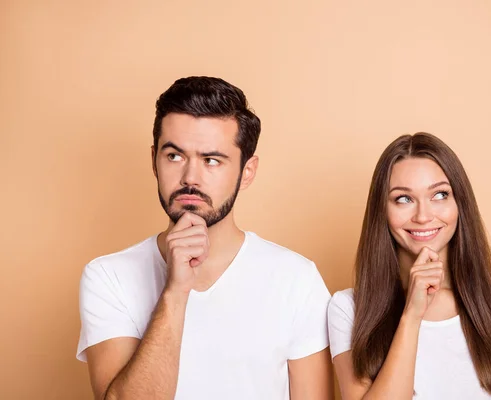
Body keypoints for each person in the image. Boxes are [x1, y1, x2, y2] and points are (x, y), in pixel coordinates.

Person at [77, 76, 333, 400]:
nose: (190, 178)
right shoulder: (108, 277)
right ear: (154, 160)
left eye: (211, 160)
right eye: (174, 156)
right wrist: (176, 290)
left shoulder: (297, 280)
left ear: (247, 171)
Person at [327, 133, 491, 399]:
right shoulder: (349, 310)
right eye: (403, 199)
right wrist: (412, 315)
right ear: (381, 210)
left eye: (440, 195)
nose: (423, 216)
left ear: (460, 204)